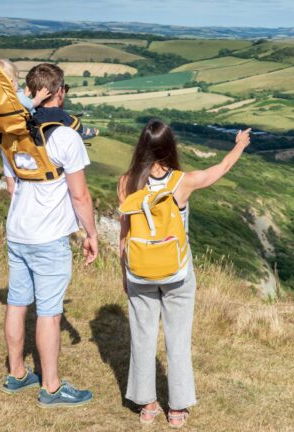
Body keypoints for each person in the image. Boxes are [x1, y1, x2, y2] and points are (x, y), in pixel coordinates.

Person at [117, 120, 251, 428]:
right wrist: (240, 144)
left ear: (141, 148)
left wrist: (124, 273)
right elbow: (223, 167)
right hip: (177, 272)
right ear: (170, 148)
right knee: (178, 338)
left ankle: (147, 405)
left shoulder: (126, 183)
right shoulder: (183, 181)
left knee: (142, 336)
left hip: (139, 271)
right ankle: (176, 410)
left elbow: (124, 234)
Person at [0, 62, 99, 408]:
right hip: (49, 235)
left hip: (18, 229)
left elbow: (11, 185)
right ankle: (52, 387)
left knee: (16, 302)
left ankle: (16, 374)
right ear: (59, 92)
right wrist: (91, 233)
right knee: (49, 312)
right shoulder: (67, 136)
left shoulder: (11, 131)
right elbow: (80, 195)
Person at [26, 67, 100, 140]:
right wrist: (91, 131)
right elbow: (81, 131)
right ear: (60, 92)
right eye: (66, 89)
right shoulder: (62, 116)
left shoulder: (27, 113)